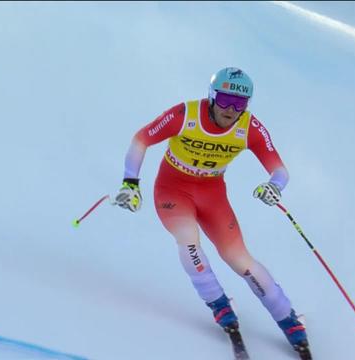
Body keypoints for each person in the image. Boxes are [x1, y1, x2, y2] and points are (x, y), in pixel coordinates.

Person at [113, 67, 310, 357]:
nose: (232, 110)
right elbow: (142, 138)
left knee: (240, 260)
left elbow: (279, 169)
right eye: (225, 100)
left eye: (240, 104)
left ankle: (288, 320)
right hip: (172, 191)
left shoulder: (250, 128)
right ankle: (219, 304)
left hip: (212, 196)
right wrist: (130, 183)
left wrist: (274, 186)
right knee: (189, 242)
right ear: (211, 97)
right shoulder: (186, 114)